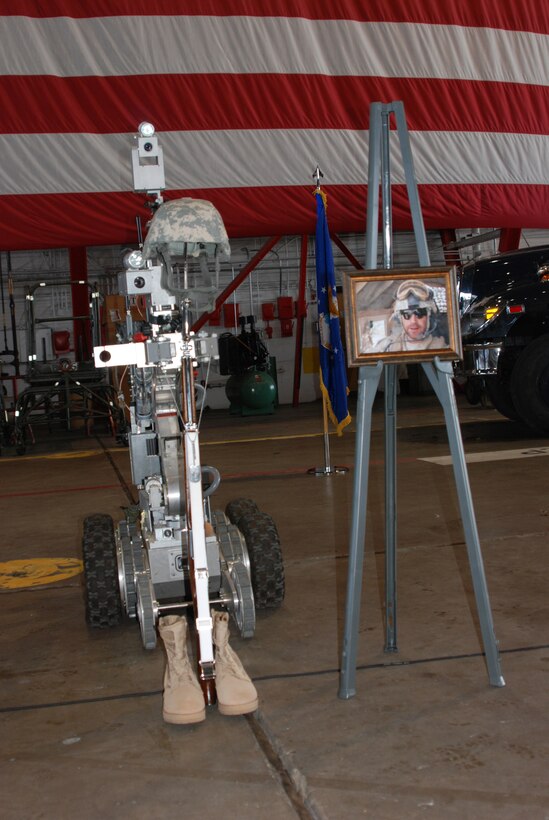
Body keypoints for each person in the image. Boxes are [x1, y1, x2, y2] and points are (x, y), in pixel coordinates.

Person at [373, 279, 447, 352]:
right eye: (406, 314)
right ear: (400, 318)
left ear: (428, 317)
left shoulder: (441, 348)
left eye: (419, 313)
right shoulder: (387, 347)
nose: (413, 321)